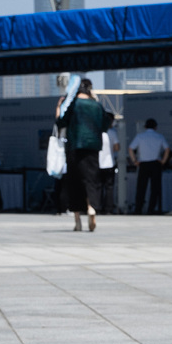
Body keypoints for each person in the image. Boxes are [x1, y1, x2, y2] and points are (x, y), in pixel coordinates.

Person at [54, 78, 109, 232]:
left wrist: (59, 108)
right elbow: (105, 125)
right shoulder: (97, 106)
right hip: (92, 147)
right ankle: (92, 208)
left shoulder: (74, 104)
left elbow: (61, 123)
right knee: (92, 180)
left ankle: (77, 220)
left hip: (74, 147)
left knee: (74, 182)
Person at [130, 118, 169, 214]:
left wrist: (134, 160)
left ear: (145, 126)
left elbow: (130, 148)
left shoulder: (140, 136)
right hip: (156, 163)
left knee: (141, 188)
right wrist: (163, 161)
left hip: (143, 164)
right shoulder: (159, 136)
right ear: (155, 127)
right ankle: (151, 209)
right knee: (155, 188)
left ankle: (138, 209)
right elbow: (167, 149)